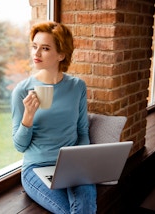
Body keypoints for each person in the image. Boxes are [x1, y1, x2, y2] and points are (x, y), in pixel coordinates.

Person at [11, 21, 97, 214]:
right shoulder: (22, 91)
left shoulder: (77, 87)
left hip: (72, 165)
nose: (36, 53)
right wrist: (28, 115)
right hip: (36, 167)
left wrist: (80, 161)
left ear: (61, 54)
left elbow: (82, 131)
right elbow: (19, 146)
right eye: (34, 47)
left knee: (84, 207)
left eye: (45, 48)